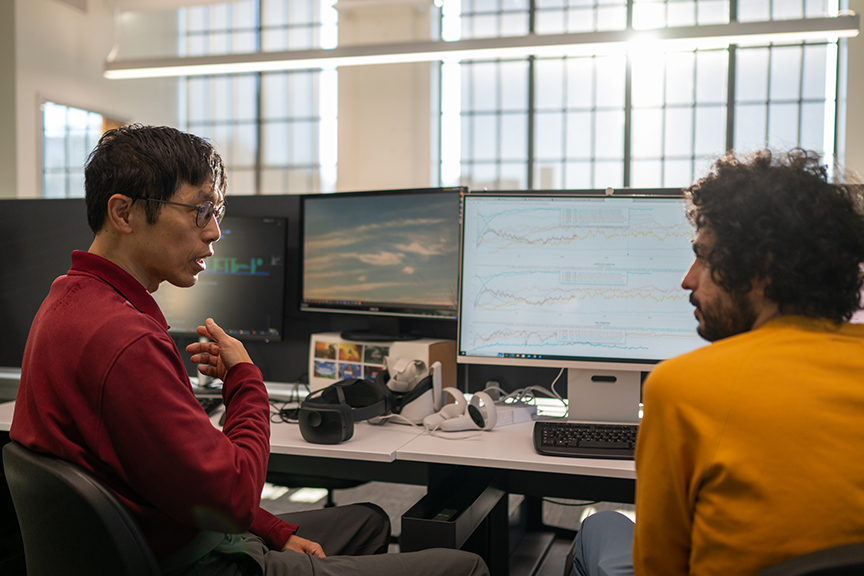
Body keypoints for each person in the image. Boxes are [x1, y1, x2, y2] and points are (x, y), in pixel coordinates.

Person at [10, 124, 489, 576]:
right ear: (123, 213)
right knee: (465, 567)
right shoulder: (125, 338)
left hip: (166, 536)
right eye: (200, 211)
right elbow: (234, 497)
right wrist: (244, 378)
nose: (215, 231)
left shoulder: (67, 302)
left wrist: (271, 527)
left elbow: (173, 479)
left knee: (368, 520)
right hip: (199, 562)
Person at [571, 149, 864, 576]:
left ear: (761, 271)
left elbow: (660, 568)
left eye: (704, 257)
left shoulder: (682, 388)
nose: (688, 279)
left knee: (600, 527)